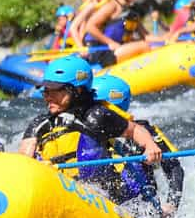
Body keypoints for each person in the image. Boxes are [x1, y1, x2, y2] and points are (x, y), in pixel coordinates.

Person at [18, 55, 161, 204]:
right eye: (46, 91)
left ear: (77, 89)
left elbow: (135, 130)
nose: (48, 97)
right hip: (56, 191)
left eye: (54, 90)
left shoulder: (96, 115)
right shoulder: (39, 124)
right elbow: (23, 159)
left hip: (98, 196)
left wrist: (150, 145)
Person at [92, 74, 184, 218]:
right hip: (101, 201)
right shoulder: (84, 130)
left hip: (139, 207)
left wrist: (171, 205)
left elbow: (174, 167)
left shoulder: (144, 131)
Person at [82, 0, 154, 66]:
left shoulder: (131, 12)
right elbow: (90, 26)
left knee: (149, 45)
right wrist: (110, 43)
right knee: (144, 46)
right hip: (104, 54)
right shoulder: (112, 6)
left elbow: (146, 36)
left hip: (118, 50)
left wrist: (166, 38)